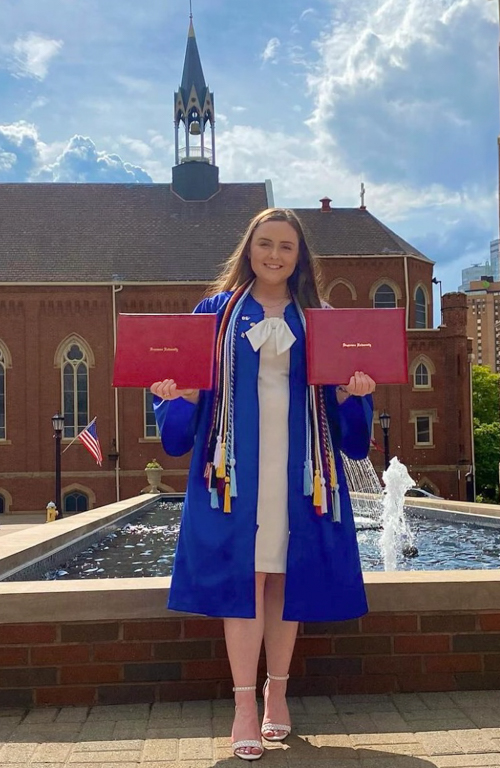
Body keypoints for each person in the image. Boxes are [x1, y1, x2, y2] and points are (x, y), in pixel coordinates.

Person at [151, 208, 376, 761]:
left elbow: (348, 417)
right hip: (235, 472)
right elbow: (186, 403)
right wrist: (173, 396)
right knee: (245, 581)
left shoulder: (320, 318)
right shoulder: (215, 314)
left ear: (300, 259)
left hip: (302, 469)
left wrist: (355, 394)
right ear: (247, 248)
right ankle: (244, 705)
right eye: (265, 244)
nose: (274, 255)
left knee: (285, 579)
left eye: (286, 247)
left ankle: (278, 694)